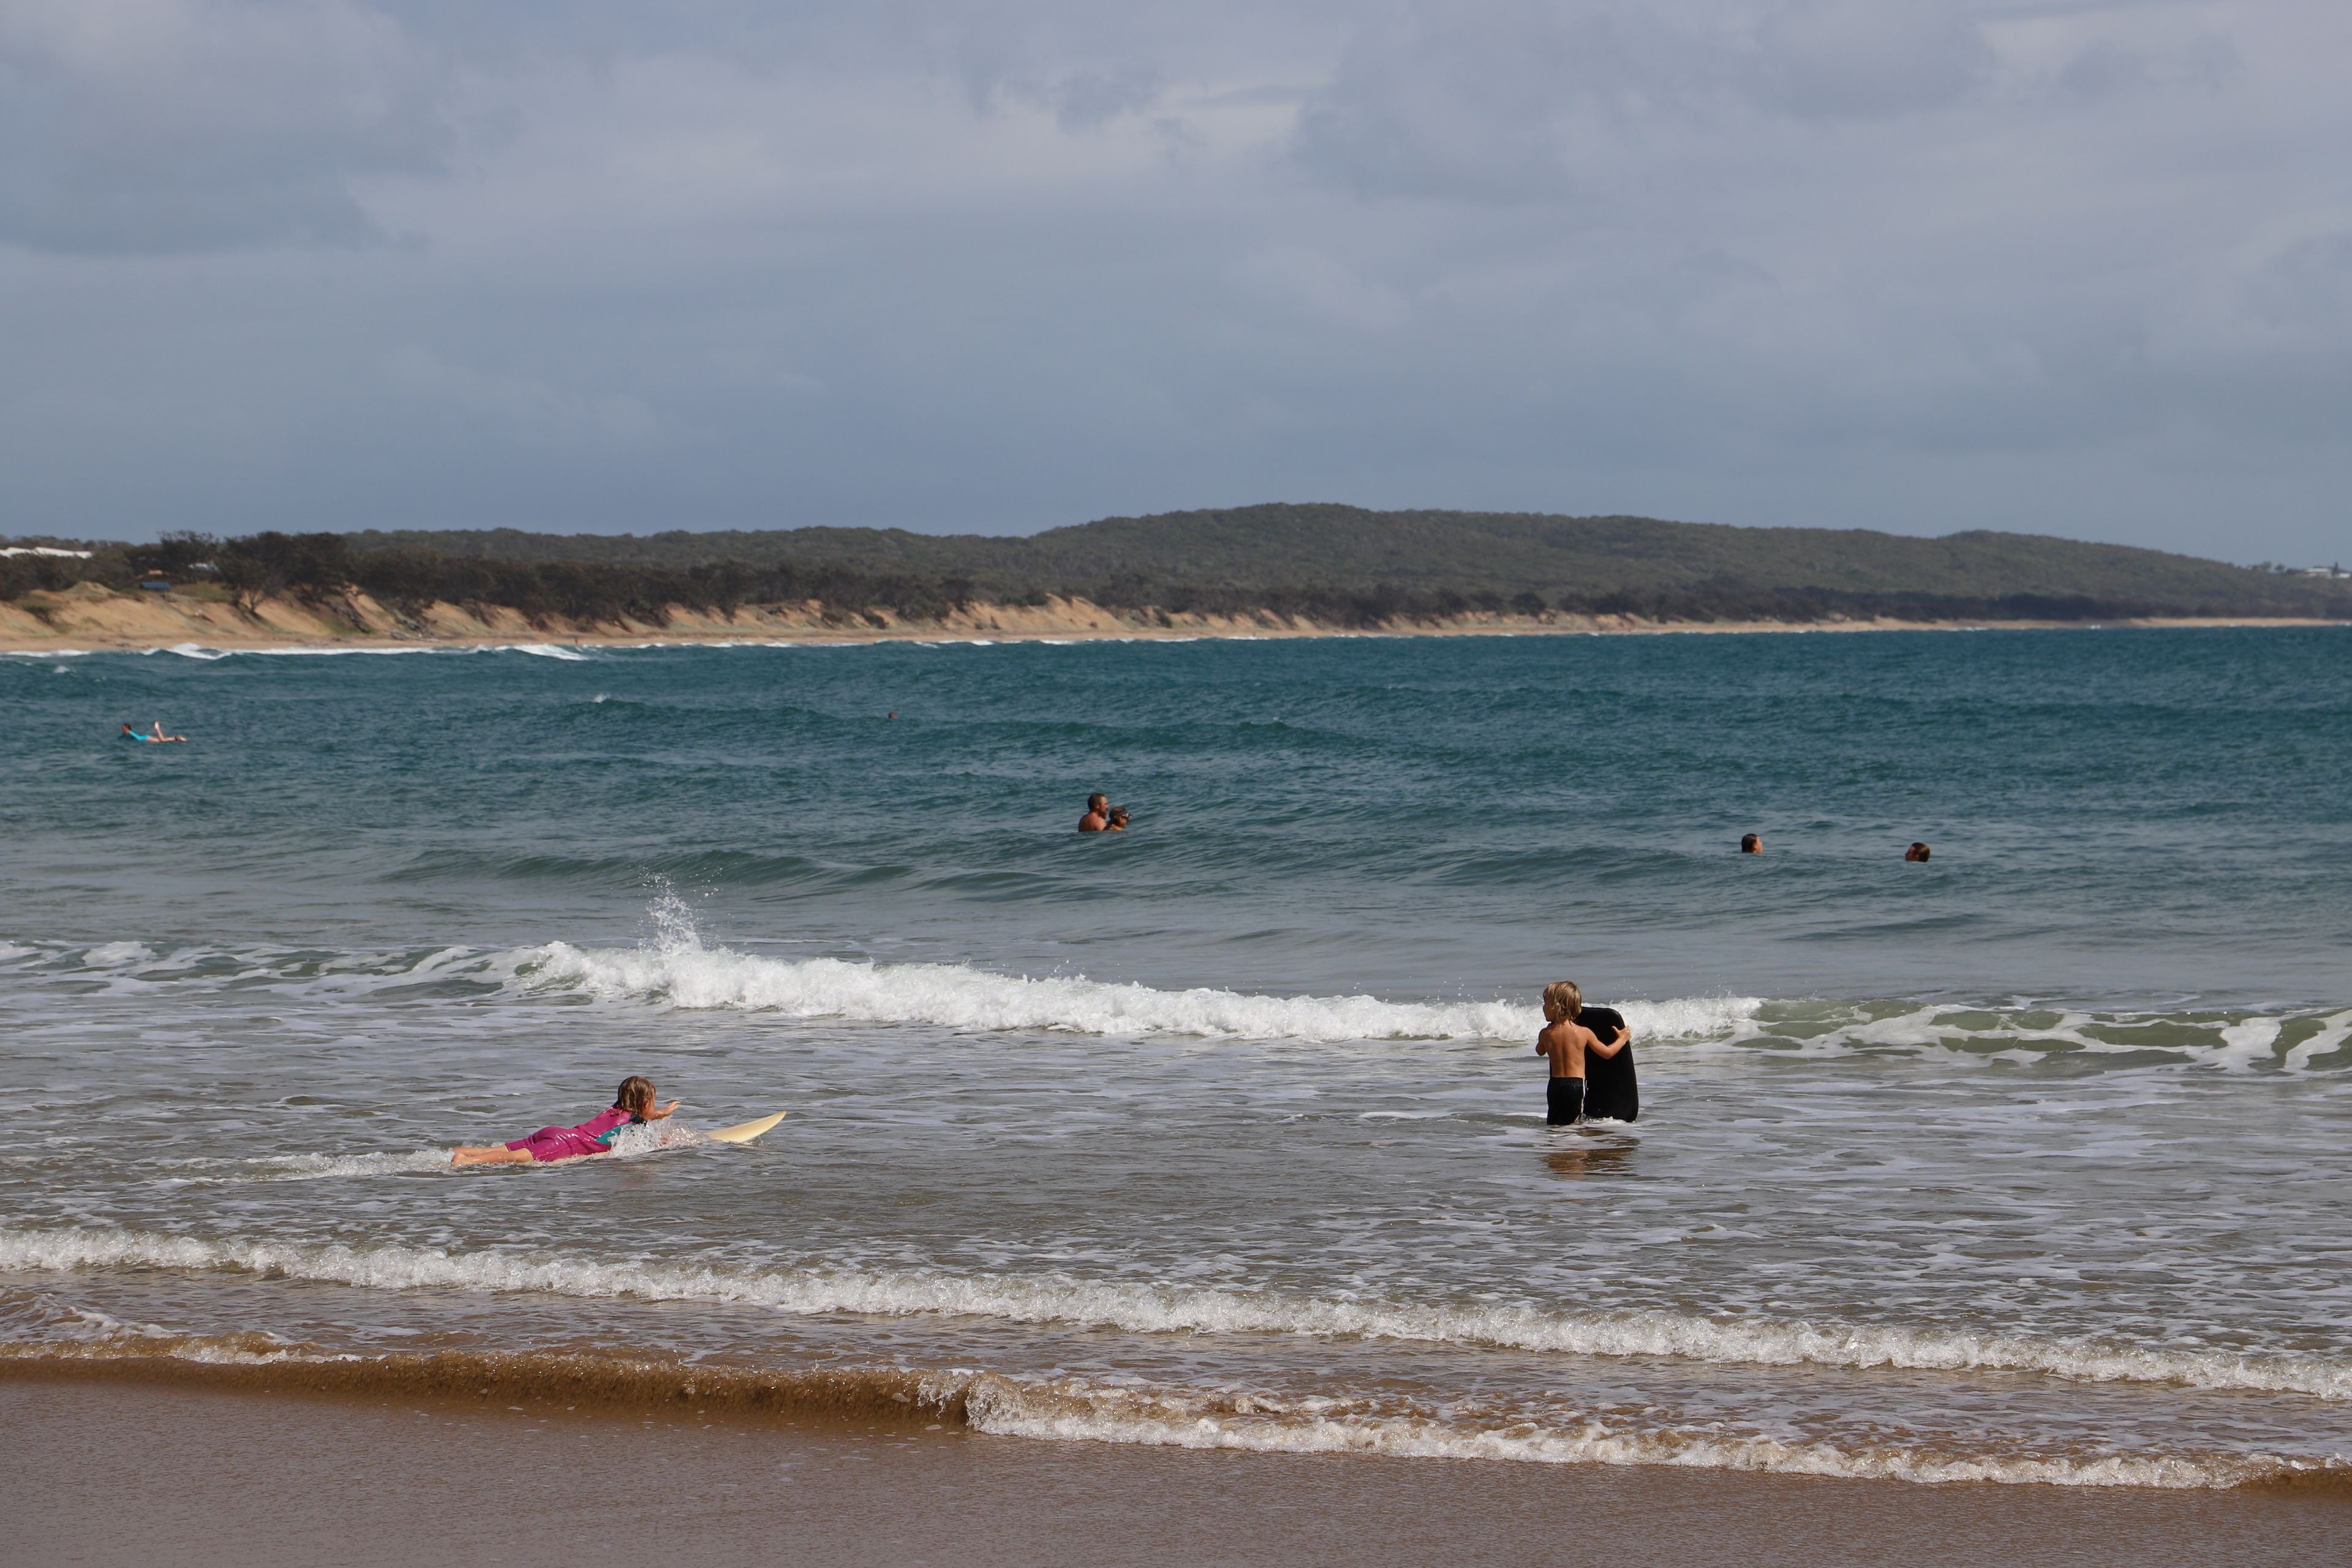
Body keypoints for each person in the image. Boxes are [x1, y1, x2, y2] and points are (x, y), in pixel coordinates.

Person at [450, 1075, 679, 1167]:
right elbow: (647, 1123)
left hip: (554, 1133)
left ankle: (459, 1152)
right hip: (562, 1145)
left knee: (503, 1149)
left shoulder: (613, 1110)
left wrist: (661, 1114)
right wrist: (662, 1133)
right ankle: (467, 1161)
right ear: (646, 1102)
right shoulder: (633, 1122)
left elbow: (648, 1118)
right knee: (513, 1157)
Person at [1534, 981, 1627, 1126]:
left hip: (1554, 1086)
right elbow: (1607, 1053)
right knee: (1573, 1124)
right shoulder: (1583, 1033)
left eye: (1546, 1002)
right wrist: (1622, 1039)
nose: (1543, 1007)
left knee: (1554, 1123)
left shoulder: (1546, 1034)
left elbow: (1540, 1051)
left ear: (1557, 1006)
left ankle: (1553, 1141)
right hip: (1575, 1085)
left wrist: (1547, 1031)